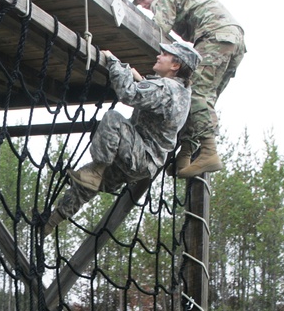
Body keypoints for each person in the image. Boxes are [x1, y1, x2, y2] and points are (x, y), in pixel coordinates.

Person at [42, 41, 200, 237]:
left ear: (175, 66)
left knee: (113, 119)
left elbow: (128, 94)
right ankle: (50, 223)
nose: (159, 56)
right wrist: (141, 80)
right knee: (87, 185)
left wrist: (115, 64)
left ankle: (96, 169)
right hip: (141, 162)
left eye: (165, 54)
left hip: (140, 155)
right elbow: (156, 101)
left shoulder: (166, 89)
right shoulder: (182, 92)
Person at [131, 0, 246, 178]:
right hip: (231, 40)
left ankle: (208, 152)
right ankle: (186, 154)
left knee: (195, 94)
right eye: (139, 2)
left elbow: (158, 28)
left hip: (215, 36)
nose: (143, 4)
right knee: (203, 98)